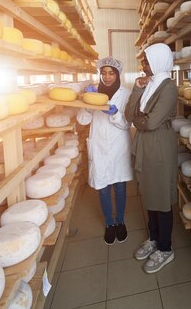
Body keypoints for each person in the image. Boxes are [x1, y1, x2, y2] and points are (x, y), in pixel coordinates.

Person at [125, 43, 178, 274]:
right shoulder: (149, 85)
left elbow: (152, 122)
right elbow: (129, 114)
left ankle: (166, 248)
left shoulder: (168, 88)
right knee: (149, 192)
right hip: (146, 142)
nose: (143, 65)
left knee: (161, 197)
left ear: (158, 61)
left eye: (146, 61)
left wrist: (139, 119)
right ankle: (154, 239)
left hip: (158, 145)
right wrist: (137, 88)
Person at [77, 57, 132, 245]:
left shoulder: (126, 94)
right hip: (99, 145)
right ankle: (109, 224)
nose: (107, 77)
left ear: (117, 75)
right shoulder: (94, 94)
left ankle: (120, 221)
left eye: (111, 73)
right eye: (104, 73)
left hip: (119, 146)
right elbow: (83, 120)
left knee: (119, 186)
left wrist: (116, 114)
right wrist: (86, 102)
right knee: (103, 187)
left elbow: (127, 124)